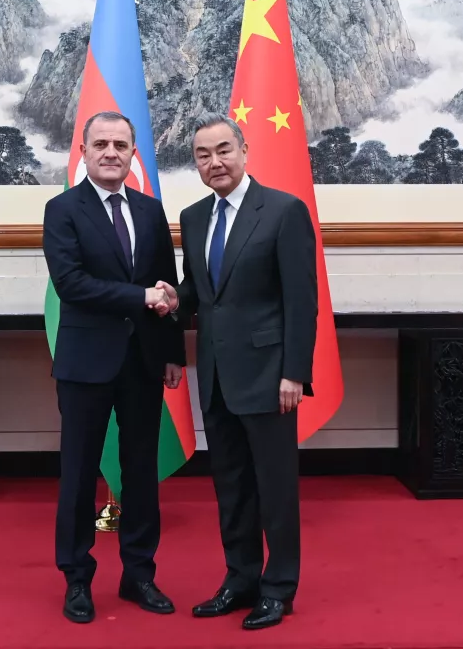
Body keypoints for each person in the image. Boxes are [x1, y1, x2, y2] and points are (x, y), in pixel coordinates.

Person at [155, 113, 317, 630]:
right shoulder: (194, 217)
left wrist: (294, 372)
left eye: (223, 150)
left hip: (271, 376)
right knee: (231, 487)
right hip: (217, 377)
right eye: (202, 155)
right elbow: (201, 293)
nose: (214, 162)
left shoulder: (284, 211)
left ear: (244, 150)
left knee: (275, 488)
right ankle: (240, 579)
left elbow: (302, 300)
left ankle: (279, 587)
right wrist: (172, 299)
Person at [41, 110, 186, 624]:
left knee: (140, 472)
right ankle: (77, 578)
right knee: (79, 473)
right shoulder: (62, 209)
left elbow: (167, 285)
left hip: (144, 361)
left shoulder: (150, 211)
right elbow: (71, 284)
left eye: (120, 145)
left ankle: (139, 574)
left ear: (132, 154)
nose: (110, 152)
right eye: (100, 144)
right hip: (86, 363)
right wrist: (140, 296)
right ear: (83, 152)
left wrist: (173, 351)